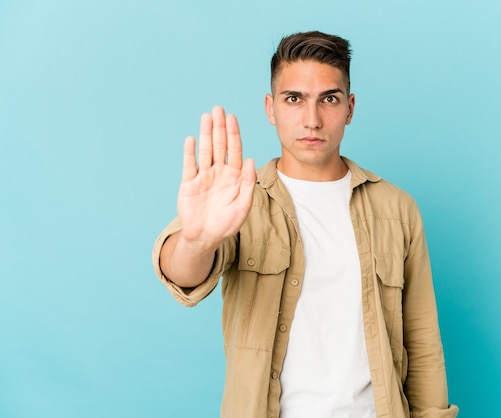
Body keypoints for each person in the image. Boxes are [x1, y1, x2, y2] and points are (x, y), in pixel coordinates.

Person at [153, 31, 458, 418]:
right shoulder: (240, 201)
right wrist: (197, 241)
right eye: (293, 99)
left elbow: (422, 339)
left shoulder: (397, 209)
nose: (311, 120)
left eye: (328, 99)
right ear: (270, 108)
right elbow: (182, 273)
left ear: (349, 108)